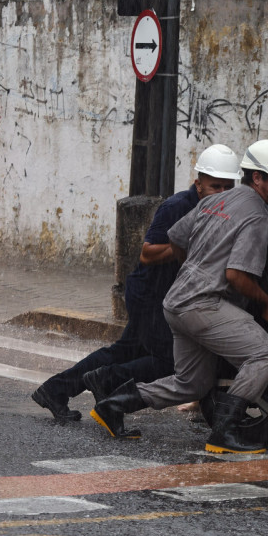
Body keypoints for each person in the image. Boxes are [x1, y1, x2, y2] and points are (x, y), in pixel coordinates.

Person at [88, 139, 268, 454]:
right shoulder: (257, 217)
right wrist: (267, 303)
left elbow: (176, 238)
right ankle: (224, 433)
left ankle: (113, 405)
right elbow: (236, 276)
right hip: (203, 305)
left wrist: (195, 267)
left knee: (192, 384)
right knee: (265, 354)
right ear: (257, 178)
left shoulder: (217, 200)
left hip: (177, 302)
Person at [30, 144, 242, 421]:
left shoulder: (222, 211)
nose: (223, 194)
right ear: (198, 184)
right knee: (170, 361)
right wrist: (181, 248)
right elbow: (147, 253)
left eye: (229, 187)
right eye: (216, 186)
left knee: (125, 351)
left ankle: (56, 389)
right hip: (150, 295)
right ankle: (107, 381)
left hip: (169, 295)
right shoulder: (178, 206)